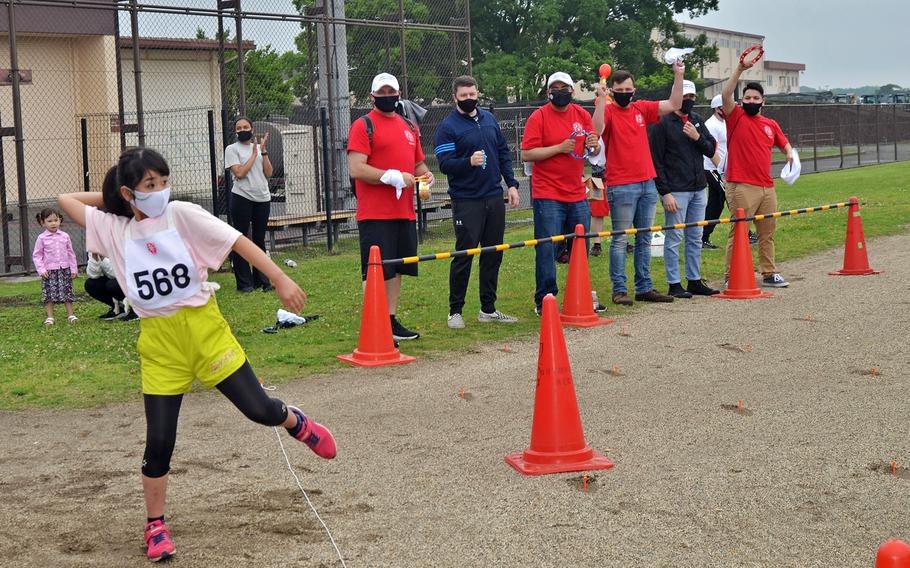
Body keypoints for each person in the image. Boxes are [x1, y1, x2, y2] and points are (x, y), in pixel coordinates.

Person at [57, 147, 336, 563]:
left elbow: (238, 240)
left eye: (164, 182)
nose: (161, 192)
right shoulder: (114, 228)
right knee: (159, 442)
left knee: (259, 410)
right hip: (160, 344)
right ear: (129, 193)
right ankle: (156, 526)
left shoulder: (181, 214)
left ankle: (294, 420)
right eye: (150, 186)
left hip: (205, 331)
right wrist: (115, 198)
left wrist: (279, 278)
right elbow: (65, 202)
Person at [347, 72, 435, 341]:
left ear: (398, 94)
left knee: (396, 268)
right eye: (381, 93)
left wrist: (426, 175)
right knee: (375, 270)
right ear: (373, 96)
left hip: (404, 211)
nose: (387, 97)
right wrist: (391, 176)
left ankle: (390, 321)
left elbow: (417, 163)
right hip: (375, 214)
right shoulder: (363, 126)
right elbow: (356, 168)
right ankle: (373, 326)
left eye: (391, 92)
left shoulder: (409, 126)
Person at [592, 59, 686, 306]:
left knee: (644, 237)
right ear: (612, 90)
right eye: (619, 91)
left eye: (628, 90)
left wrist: (678, 75)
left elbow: (675, 103)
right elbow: (597, 129)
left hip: (647, 183)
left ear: (634, 91)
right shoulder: (610, 111)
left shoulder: (641, 109)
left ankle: (644, 287)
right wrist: (602, 100)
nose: (624, 94)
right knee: (621, 238)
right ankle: (619, 289)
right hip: (621, 185)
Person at [433, 75, 520, 329]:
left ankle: (488, 309)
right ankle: (455, 311)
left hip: (493, 196)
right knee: (464, 254)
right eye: (464, 96)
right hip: (466, 199)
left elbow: (503, 152)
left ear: (477, 94)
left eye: (473, 95)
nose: (469, 99)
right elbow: (445, 164)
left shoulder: (489, 120)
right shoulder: (448, 127)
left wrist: (511, 184)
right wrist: (467, 162)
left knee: (493, 253)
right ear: (455, 98)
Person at [520, 71, 601, 314]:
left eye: (564, 88)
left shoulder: (581, 114)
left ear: (572, 91)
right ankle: (545, 299)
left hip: (576, 192)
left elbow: (592, 146)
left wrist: (594, 145)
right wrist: (558, 148)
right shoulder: (539, 116)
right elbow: (527, 154)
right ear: (548, 92)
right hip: (548, 193)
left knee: (580, 246)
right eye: (555, 88)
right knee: (547, 248)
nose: (560, 92)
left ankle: (580, 294)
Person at [721, 59, 794, 288]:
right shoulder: (736, 117)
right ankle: (732, 276)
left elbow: (784, 144)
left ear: (763, 101)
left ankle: (769, 273)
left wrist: (790, 154)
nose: (751, 101)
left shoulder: (770, 124)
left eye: (756, 98)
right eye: (747, 98)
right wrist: (740, 69)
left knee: (767, 233)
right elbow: (725, 94)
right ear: (742, 100)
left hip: (767, 186)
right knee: (740, 232)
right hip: (741, 185)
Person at [649, 80, 721, 298]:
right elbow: (656, 161)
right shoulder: (662, 123)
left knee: (695, 235)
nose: (688, 100)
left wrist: (696, 137)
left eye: (692, 97)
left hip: (699, 187)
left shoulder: (697, 120)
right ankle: (674, 283)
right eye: (684, 96)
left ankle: (694, 280)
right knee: (674, 237)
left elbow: (710, 149)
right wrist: (666, 192)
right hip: (676, 190)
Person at [224, 117, 273, 293]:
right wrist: (253, 154)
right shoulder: (232, 149)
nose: (242, 129)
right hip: (242, 197)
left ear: (252, 129)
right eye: (239, 127)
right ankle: (245, 284)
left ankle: (262, 280)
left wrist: (263, 151)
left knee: (260, 239)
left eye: (246, 127)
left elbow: (268, 173)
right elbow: (240, 173)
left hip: (262, 198)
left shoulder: (260, 149)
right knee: (241, 239)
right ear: (235, 131)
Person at [32, 208, 78, 325]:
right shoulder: (41, 238)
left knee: (67, 292)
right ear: (43, 223)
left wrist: (73, 269)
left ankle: (71, 315)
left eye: (56, 220)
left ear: (60, 220)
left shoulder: (65, 236)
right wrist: (41, 270)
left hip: (65, 269)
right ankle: (50, 317)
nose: (53, 223)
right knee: (49, 294)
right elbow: (37, 255)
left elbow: (71, 253)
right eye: (49, 221)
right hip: (49, 271)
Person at [701, 94, 727, 250]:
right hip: (711, 167)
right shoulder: (711, 124)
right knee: (730, 196)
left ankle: (703, 237)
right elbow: (711, 149)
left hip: (722, 168)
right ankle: (746, 233)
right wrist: (721, 170)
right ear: (717, 108)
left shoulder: (726, 123)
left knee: (716, 203)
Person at [84, 252, 137, 321]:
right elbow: (94, 275)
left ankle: (135, 309)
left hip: (132, 281)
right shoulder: (95, 247)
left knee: (112, 284)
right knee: (91, 284)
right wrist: (95, 257)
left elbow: (117, 273)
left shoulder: (119, 244)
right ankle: (118, 308)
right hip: (116, 280)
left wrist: (102, 258)